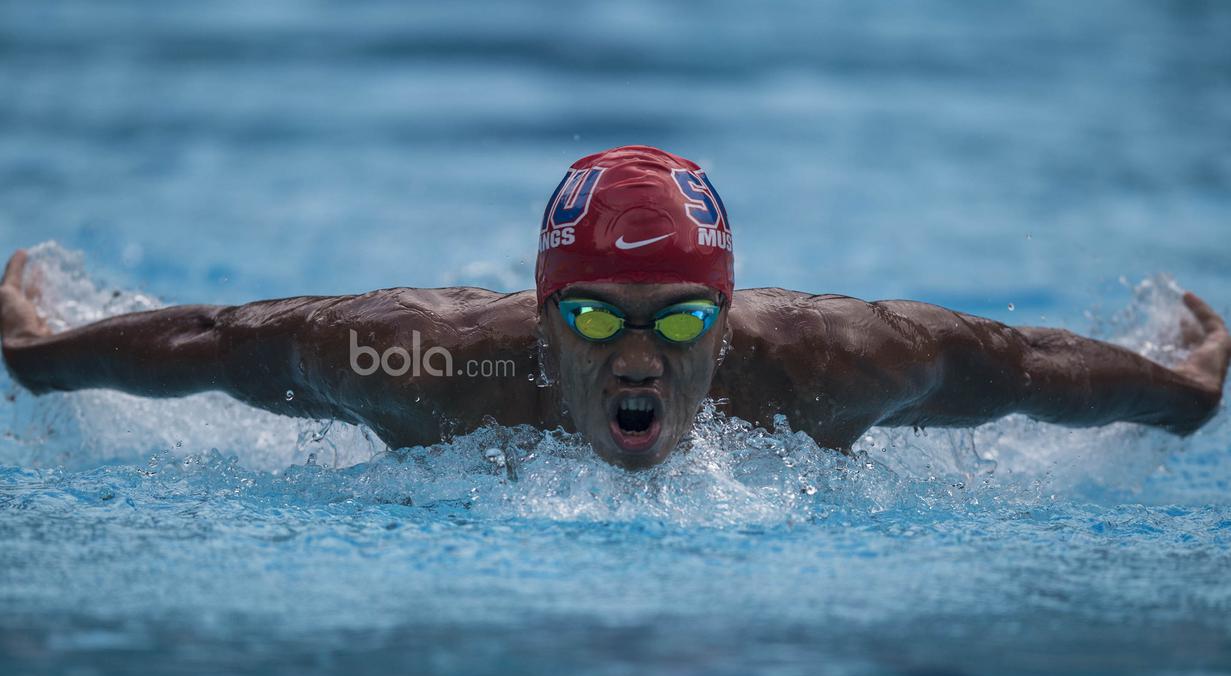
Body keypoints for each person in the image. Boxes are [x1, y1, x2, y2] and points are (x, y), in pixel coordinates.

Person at [2, 146, 1228, 469]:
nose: (639, 350)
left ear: (730, 323)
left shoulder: (828, 367)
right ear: (540, 320)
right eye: (593, 316)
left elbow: (1013, 362)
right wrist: (40, 358)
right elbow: (216, 342)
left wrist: (1179, 393)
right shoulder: (425, 361)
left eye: (680, 321)